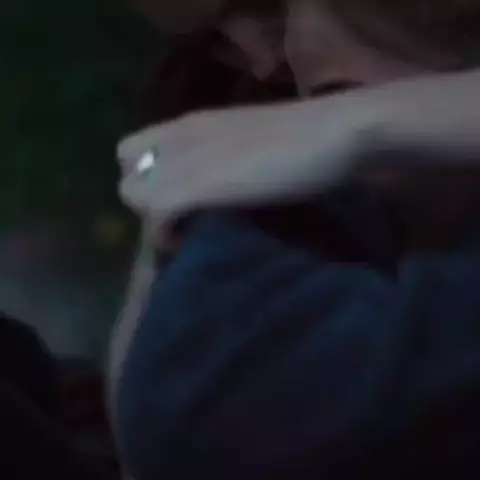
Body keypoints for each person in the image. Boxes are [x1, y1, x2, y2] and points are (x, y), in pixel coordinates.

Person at [109, 1, 480, 478]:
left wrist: (366, 122)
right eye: (212, 41)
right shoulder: (211, 99)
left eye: (268, 5)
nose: (266, 61)